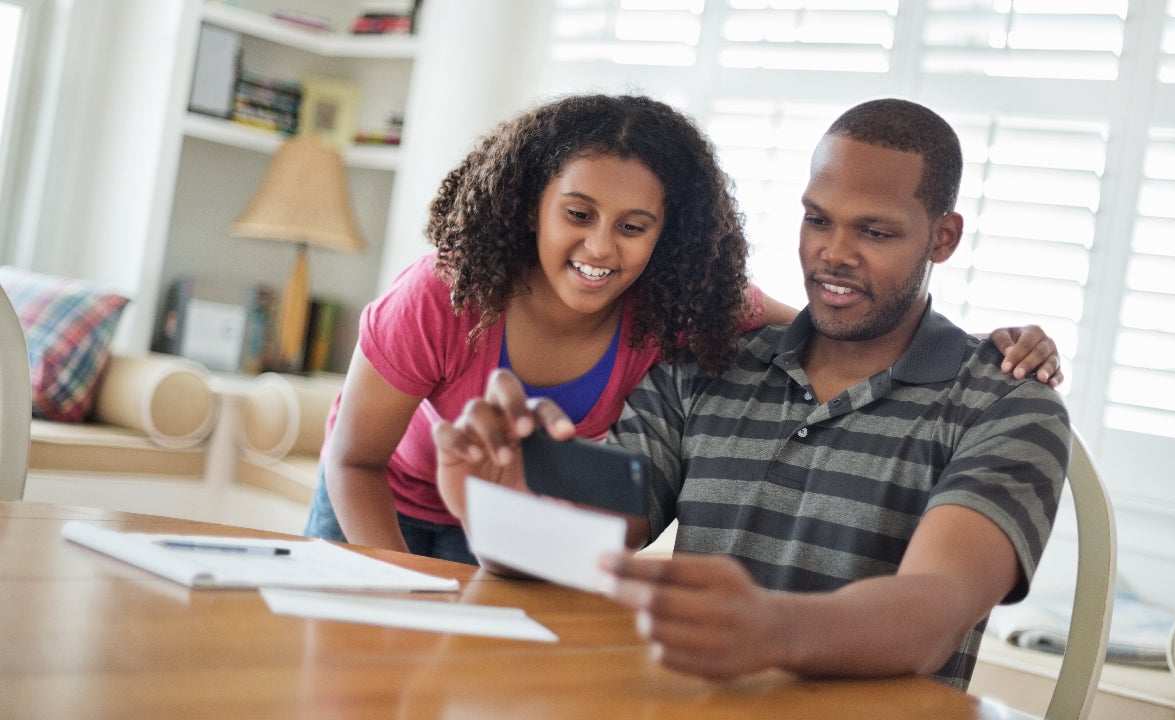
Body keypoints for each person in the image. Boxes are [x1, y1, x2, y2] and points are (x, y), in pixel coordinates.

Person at [432, 97, 1071, 691]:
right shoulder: (704, 368)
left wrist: (772, 631)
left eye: (874, 232)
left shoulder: (1007, 401)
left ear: (943, 238)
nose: (833, 253)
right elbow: (586, 550)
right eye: (817, 219)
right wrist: (497, 502)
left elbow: (936, 611)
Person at [308, 93, 1064, 564]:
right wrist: (405, 583)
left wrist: (979, 346)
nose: (601, 247)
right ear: (529, 203)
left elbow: (825, 318)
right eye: (578, 215)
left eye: (633, 227)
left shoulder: (681, 310)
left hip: (501, 520)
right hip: (382, 496)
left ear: (666, 235)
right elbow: (355, 463)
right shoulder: (448, 294)